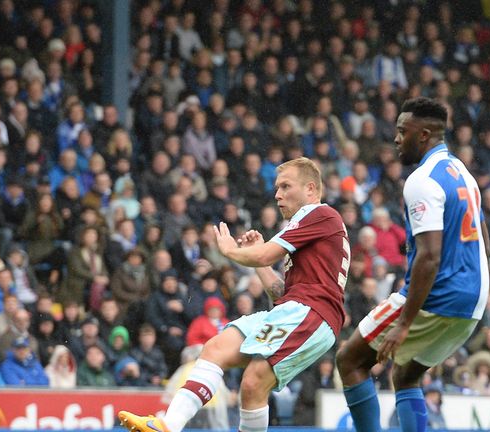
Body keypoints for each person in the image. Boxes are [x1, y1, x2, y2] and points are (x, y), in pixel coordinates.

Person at [119, 157, 350, 432]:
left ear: (311, 189)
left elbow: (264, 254)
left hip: (313, 314)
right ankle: (167, 425)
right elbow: (280, 292)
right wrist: (262, 263)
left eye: (286, 186)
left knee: (254, 379)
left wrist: (228, 251)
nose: (277, 194)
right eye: (277, 187)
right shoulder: (308, 229)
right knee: (217, 350)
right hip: (294, 309)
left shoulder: (320, 214)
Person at [336, 97, 490, 432]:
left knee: (349, 360)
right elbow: (485, 244)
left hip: (439, 295)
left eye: (402, 131)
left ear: (423, 135)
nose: (395, 139)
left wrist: (404, 323)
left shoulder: (422, 180)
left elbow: (429, 257)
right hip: (473, 301)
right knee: (406, 373)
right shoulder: (462, 172)